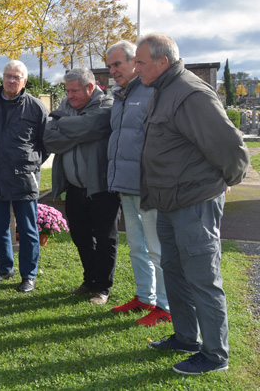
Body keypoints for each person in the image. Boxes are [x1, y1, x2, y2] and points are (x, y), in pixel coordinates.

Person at [135, 34, 249, 374]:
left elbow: (231, 147)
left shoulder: (190, 93)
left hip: (194, 202)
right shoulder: (163, 90)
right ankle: (186, 337)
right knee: (174, 270)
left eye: (140, 62)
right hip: (170, 202)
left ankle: (215, 356)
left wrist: (224, 182)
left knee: (202, 278)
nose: (135, 68)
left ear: (162, 62)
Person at [105, 40, 171, 326]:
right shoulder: (120, 96)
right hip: (126, 185)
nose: (112, 71)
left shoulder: (152, 92)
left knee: (156, 248)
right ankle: (145, 297)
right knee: (136, 246)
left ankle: (166, 307)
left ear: (135, 62)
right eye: (109, 66)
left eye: (117, 64)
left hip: (149, 186)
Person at [42, 68, 119, 305]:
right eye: (67, 90)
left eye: (74, 91)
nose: (70, 95)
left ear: (90, 87)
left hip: (102, 187)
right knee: (81, 236)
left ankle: (102, 287)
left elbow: (94, 126)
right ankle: (90, 280)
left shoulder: (107, 104)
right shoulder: (65, 105)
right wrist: (82, 130)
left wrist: (64, 126)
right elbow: (49, 139)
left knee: (105, 238)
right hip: (74, 187)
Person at [0, 60, 48, 293]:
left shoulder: (36, 107)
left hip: (24, 178)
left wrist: (29, 164)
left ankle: (28, 275)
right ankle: (5, 268)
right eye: (8, 75)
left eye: (16, 77)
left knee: (27, 230)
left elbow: (45, 144)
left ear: (24, 81)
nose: (11, 80)